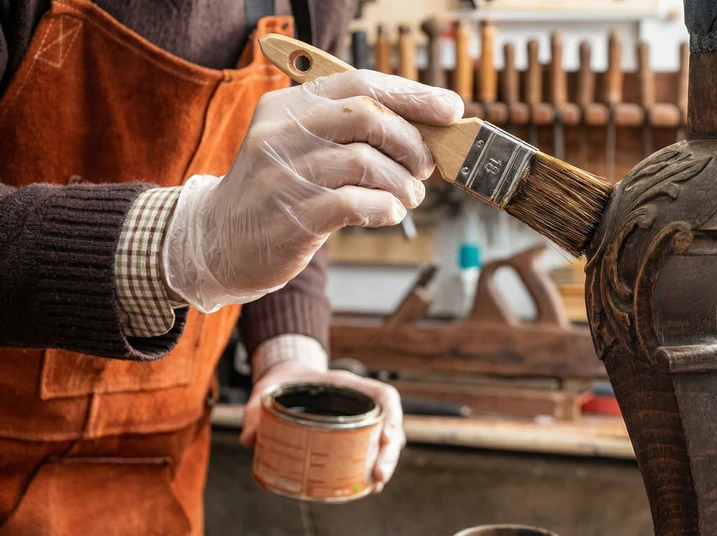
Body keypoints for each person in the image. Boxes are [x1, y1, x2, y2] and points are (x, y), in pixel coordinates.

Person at [0, 1, 463, 534]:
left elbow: (295, 201)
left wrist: (291, 356)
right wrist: (181, 243)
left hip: (163, 480)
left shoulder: (317, 6)